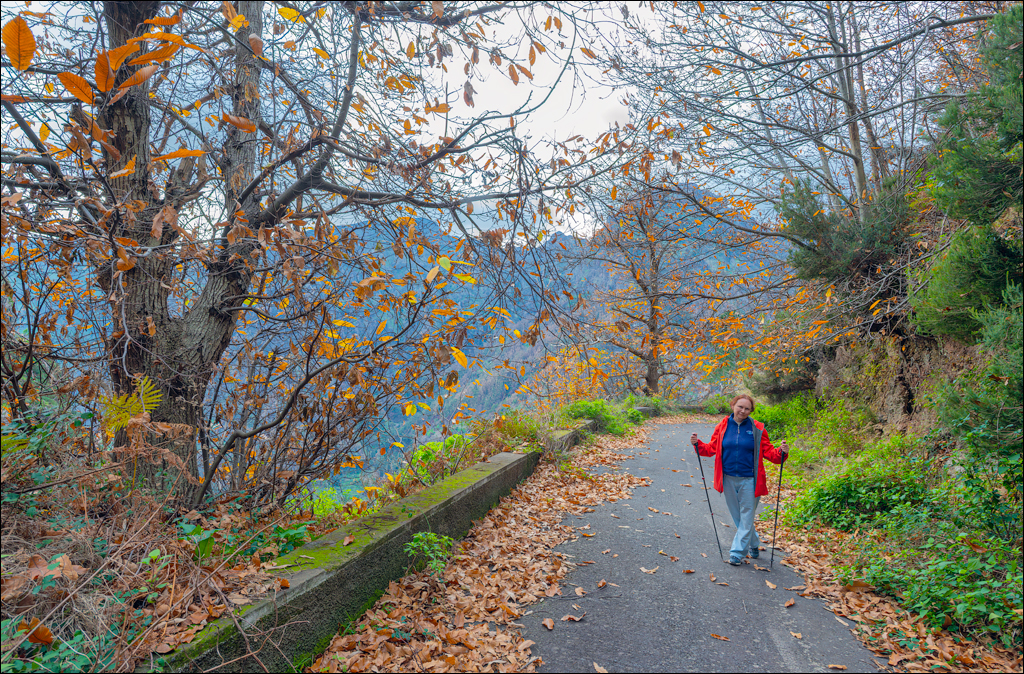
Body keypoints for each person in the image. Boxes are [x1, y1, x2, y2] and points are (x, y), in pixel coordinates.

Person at [690, 394, 788, 566]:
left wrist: (782, 452)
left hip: (750, 479)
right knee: (738, 516)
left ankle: (737, 553)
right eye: (740, 406)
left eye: (747, 408)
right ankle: (754, 543)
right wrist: (697, 444)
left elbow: (770, 453)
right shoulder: (722, 426)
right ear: (733, 405)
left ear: (751, 411)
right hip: (727, 478)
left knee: (747, 515)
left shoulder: (757, 428)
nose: (743, 411)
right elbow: (712, 448)